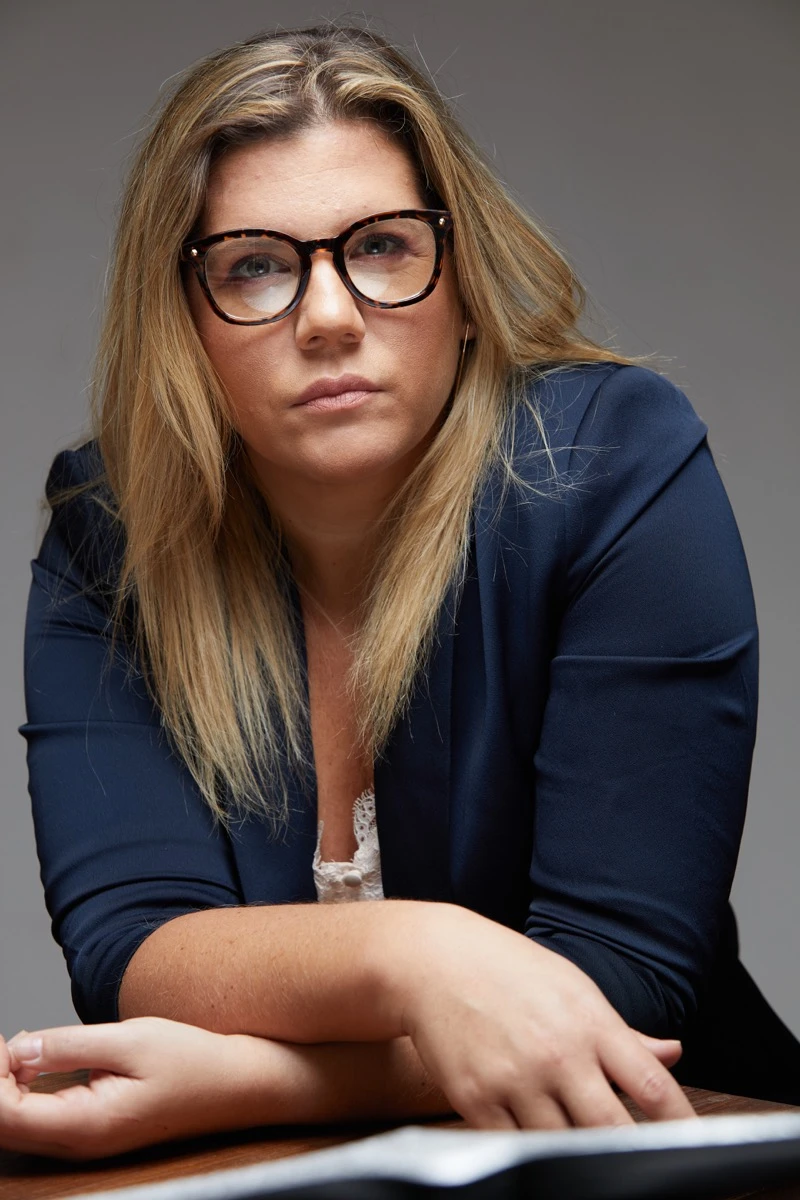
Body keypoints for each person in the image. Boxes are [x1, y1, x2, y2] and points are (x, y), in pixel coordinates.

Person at [3, 21, 799, 1162]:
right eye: (254, 265)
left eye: (380, 246)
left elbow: (617, 984)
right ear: (183, 322)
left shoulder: (617, 463)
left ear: (461, 283)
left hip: (667, 1157)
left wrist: (253, 1084)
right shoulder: (110, 535)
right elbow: (134, 950)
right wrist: (419, 956)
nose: (328, 316)